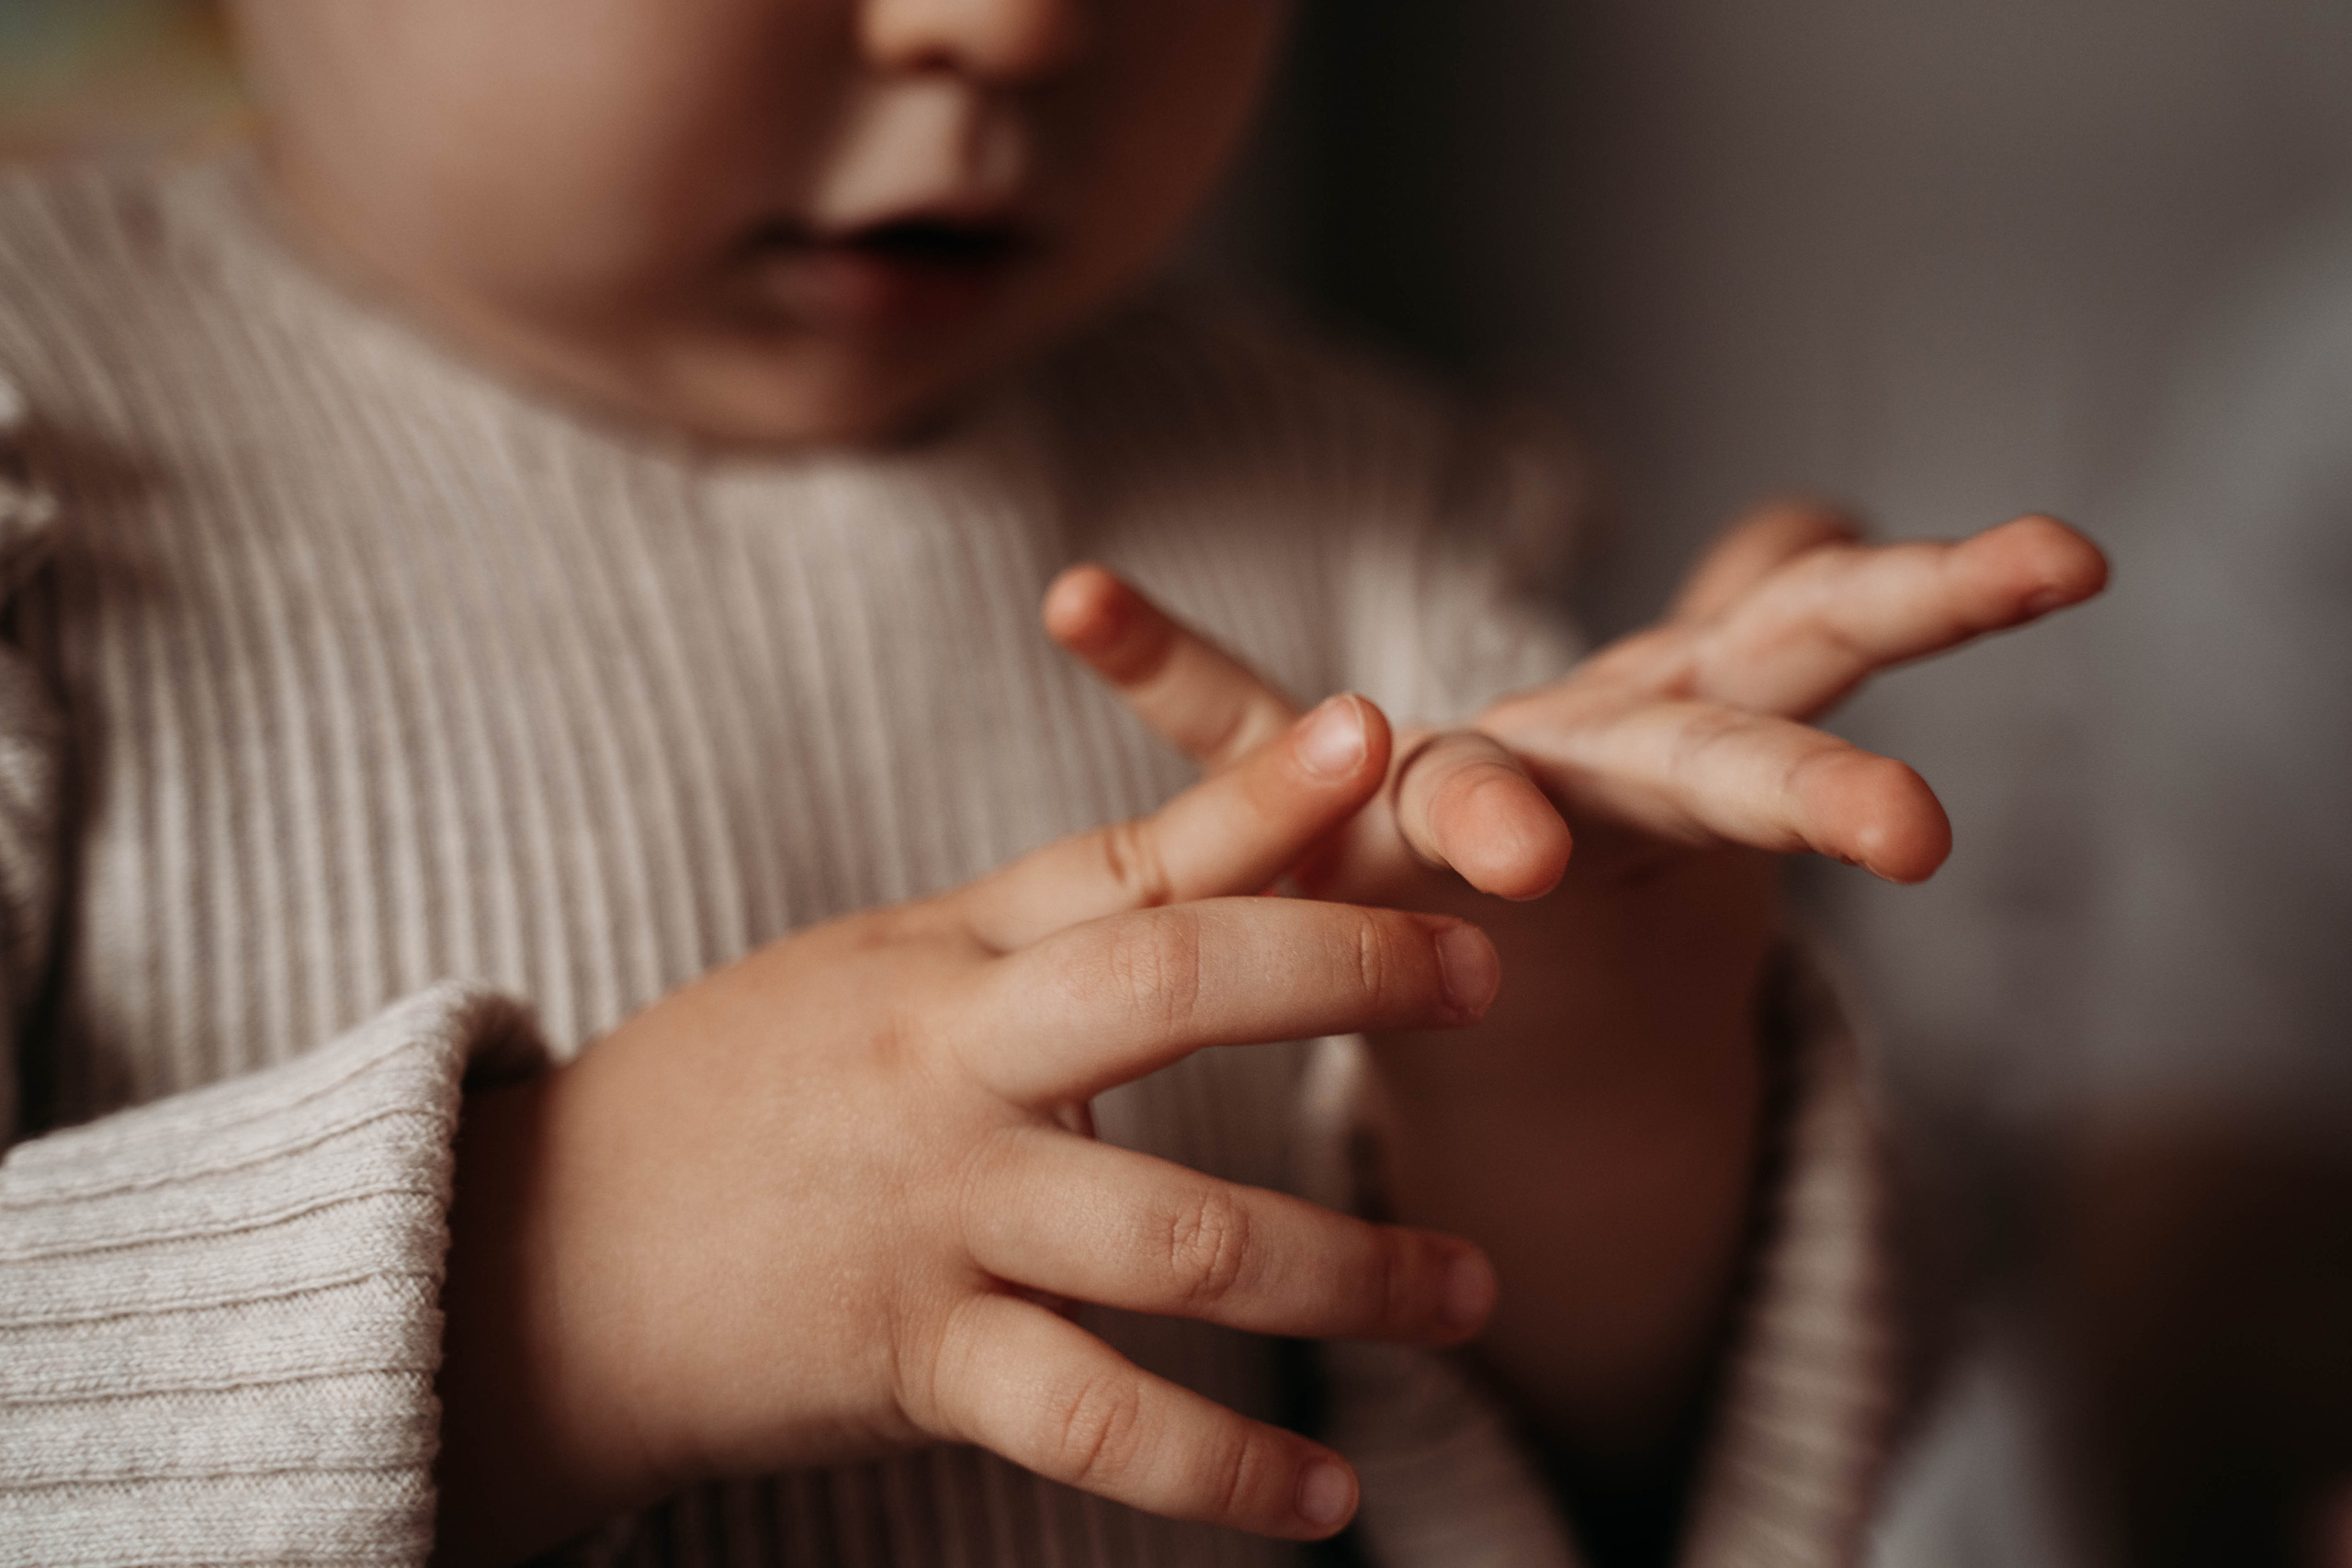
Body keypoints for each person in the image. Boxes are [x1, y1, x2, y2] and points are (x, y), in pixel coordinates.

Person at [0, 4, 2105, 1565]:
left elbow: (1602, 1475)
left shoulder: (1361, 510)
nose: (1007, 24)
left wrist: (1580, 1073)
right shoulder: (47, 447)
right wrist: (549, 1292)